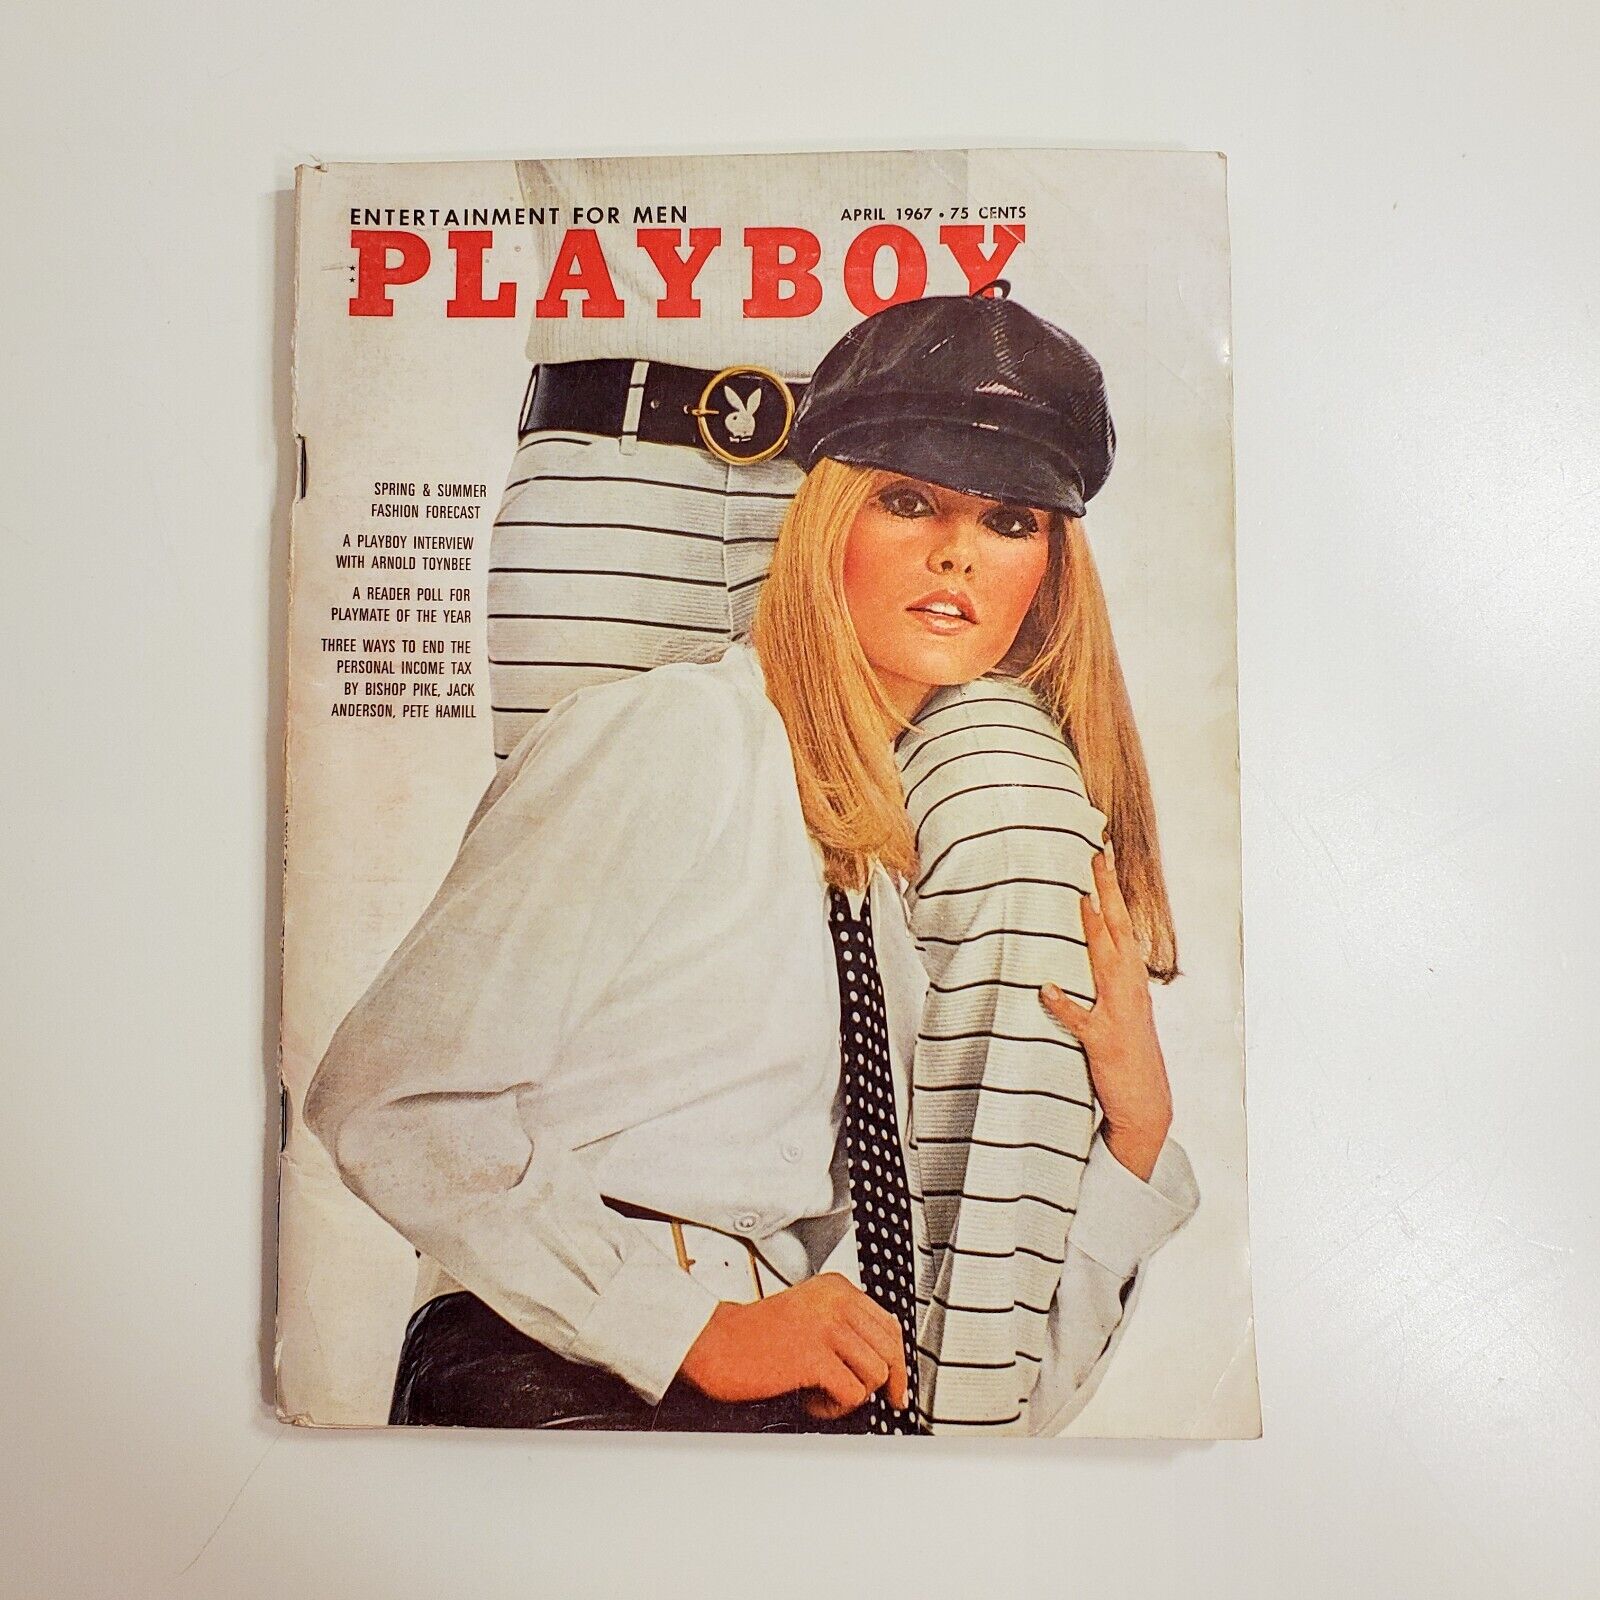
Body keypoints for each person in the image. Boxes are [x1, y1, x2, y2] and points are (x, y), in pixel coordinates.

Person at [306, 291, 1198, 1435]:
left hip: (773, 1383)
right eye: (908, 500)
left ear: (1049, 571)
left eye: (1009, 520)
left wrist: (1136, 1132)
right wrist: (686, 1327)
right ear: (824, 518)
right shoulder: (674, 737)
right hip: (569, 1372)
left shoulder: (891, 874)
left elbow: (987, 1386)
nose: (955, 553)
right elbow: (389, 1097)